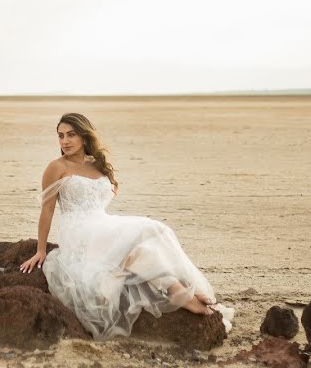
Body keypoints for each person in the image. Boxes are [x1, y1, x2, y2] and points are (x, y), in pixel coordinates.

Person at [20, 112, 229, 339]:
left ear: (84, 136)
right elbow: (47, 210)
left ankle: (179, 288)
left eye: (71, 135)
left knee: (155, 231)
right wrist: (41, 250)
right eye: (60, 136)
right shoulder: (56, 167)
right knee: (141, 235)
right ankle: (182, 293)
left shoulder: (96, 164)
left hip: (101, 222)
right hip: (78, 229)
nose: (65, 141)